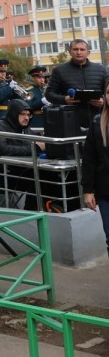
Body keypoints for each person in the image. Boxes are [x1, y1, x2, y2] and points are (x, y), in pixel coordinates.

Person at [0, 98, 44, 210]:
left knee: (47, 175)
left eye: (28, 115)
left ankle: (45, 209)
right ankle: (31, 212)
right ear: (14, 113)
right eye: (23, 114)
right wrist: (35, 147)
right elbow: (4, 150)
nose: (26, 118)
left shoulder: (25, 128)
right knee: (37, 179)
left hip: (15, 170)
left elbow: (35, 144)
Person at [46, 39, 109, 129]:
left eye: (82, 49)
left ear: (88, 52)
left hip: (99, 120)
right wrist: (65, 99)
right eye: (75, 49)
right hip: (70, 121)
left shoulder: (102, 70)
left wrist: (104, 101)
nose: (79, 52)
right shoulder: (59, 71)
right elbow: (49, 94)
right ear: (70, 52)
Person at [81, 81, 109, 258]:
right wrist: (88, 190)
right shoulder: (98, 122)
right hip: (106, 191)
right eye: (108, 92)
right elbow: (89, 158)